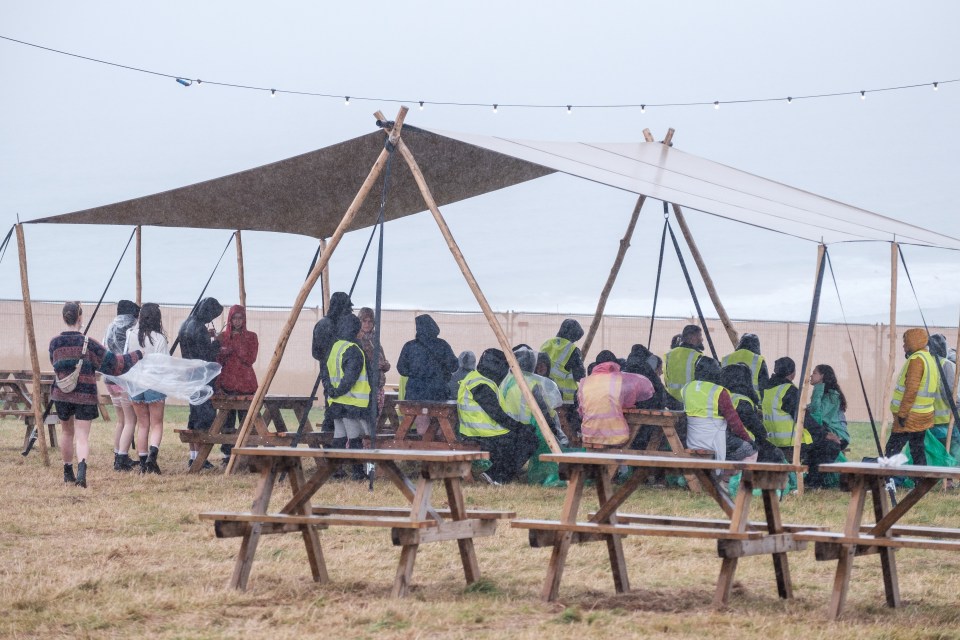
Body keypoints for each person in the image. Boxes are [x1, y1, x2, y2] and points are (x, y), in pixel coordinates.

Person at [49, 302, 143, 488]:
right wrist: (138, 354)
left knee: (67, 433)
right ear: (80, 317)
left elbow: (55, 363)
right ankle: (82, 473)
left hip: (61, 395)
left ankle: (68, 472)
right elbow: (115, 365)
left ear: (64, 318)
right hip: (84, 395)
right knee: (82, 436)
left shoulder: (55, 343)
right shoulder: (89, 344)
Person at [456, 348, 538, 484]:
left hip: (479, 432)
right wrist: (520, 427)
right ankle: (496, 476)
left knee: (523, 436)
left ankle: (498, 473)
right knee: (529, 440)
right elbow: (497, 414)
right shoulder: (481, 384)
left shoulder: (477, 378)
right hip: (481, 434)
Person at [682, 357, 757, 464]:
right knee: (750, 451)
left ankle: (722, 478)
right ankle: (729, 480)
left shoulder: (686, 388)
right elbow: (734, 421)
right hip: (715, 439)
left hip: (692, 440)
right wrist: (748, 439)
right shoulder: (718, 391)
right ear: (714, 372)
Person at [177, 297, 223, 468]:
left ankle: (193, 456)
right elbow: (207, 355)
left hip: (189, 376)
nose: (212, 320)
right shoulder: (200, 329)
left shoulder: (185, 324)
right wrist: (217, 343)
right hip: (202, 377)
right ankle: (200, 459)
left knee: (194, 415)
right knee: (205, 417)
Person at [124, 303, 169, 474]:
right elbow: (163, 364)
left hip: (135, 382)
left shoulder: (130, 334)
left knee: (142, 424)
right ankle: (152, 456)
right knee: (156, 423)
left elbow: (126, 355)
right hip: (154, 382)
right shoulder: (159, 339)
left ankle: (142, 462)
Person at [325, 314, 370, 480]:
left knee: (339, 436)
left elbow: (325, 372)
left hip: (336, 402)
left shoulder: (334, 347)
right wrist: (339, 391)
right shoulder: (354, 350)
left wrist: (331, 390)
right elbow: (351, 377)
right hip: (351, 401)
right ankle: (358, 473)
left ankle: (335, 470)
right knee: (355, 438)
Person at [886, 328, 940, 466]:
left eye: (906, 343)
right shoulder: (929, 359)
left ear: (913, 342)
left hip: (909, 416)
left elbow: (911, 389)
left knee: (893, 449)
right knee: (917, 449)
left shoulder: (916, 360)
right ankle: (921, 481)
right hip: (923, 414)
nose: (904, 347)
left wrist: (902, 414)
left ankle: (887, 480)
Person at [577, 351, 654, 446]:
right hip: (616, 435)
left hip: (589, 434)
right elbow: (645, 389)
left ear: (596, 365)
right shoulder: (620, 379)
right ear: (614, 363)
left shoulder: (584, 382)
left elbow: (581, 411)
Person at [216, 304, 259, 466]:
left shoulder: (251, 337)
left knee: (246, 420)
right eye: (234, 318)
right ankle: (228, 454)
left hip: (245, 384)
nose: (237, 321)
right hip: (227, 384)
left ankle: (246, 453)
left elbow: (250, 358)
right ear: (230, 319)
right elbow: (218, 361)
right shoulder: (223, 337)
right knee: (227, 421)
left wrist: (234, 346)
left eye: (240, 318)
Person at [720, 362, 784, 463]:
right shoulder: (741, 400)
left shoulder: (726, 395)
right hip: (744, 443)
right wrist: (763, 433)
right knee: (777, 455)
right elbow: (755, 427)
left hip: (726, 441)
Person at [103, 299, 140, 471]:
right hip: (124, 379)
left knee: (120, 420)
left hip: (109, 379)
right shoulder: (129, 330)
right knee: (130, 421)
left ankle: (117, 453)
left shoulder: (109, 328)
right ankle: (122, 459)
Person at [312, 292, 356, 432]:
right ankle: (333, 446)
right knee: (339, 414)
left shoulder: (322, 324)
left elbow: (316, 353)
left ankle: (331, 445)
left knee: (333, 411)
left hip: (329, 373)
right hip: (341, 373)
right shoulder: (341, 326)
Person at [802, 364, 849, 488]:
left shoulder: (832, 395)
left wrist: (818, 388)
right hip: (825, 431)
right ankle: (812, 479)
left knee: (817, 445)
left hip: (837, 435)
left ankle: (813, 481)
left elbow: (818, 415)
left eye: (815, 373)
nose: (811, 375)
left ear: (822, 376)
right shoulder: (823, 392)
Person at [396, 314, 458, 401]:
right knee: (437, 414)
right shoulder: (442, 345)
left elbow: (401, 368)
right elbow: (454, 366)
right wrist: (439, 373)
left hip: (415, 392)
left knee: (413, 413)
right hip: (438, 392)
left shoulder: (409, 346)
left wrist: (416, 373)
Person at [927, 333, 960, 460]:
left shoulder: (927, 363)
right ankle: (949, 479)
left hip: (929, 419)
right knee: (951, 454)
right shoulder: (946, 364)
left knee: (934, 455)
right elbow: (950, 393)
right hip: (946, 420)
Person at [762, 356, 802, 459]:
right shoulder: (789, 390)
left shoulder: (767, 388)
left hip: (771, 441)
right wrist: (822, 433)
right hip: (791, 443)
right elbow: (802, 417)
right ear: (793, 374)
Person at [356, 307, 391, 424]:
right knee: (363, 424)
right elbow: (358, 363)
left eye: (370, 321)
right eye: (364, 321)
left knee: (373, 423)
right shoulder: (357, 339)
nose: (367, 324)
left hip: (378, 386)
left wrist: (384, 365)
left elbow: (384, 361)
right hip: (365, 388)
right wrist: (373, 365)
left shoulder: (375, 338)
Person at [539, 319, 586, 404]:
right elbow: (580, 375)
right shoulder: (572, 349)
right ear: (574, 335)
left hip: (545, 394)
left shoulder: (547, 344)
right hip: (565, 399)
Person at [664, 325, 704, 409]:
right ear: (692, 337)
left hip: (672, 403)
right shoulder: (697, 356)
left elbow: (666, 379)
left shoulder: (669, 355)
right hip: (690, 403)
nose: (702, 339)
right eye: (699, 335)